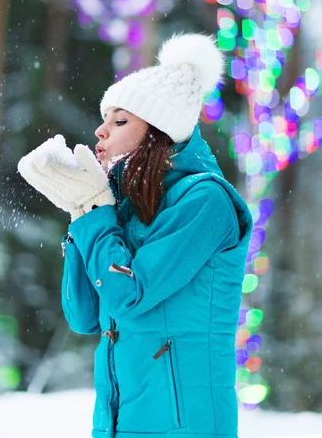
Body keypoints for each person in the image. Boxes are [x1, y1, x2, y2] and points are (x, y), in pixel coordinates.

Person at [17, 32, 253, 438]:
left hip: (186, 426)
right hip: (120, 421)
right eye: (105, 118)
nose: (100, 131)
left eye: (120, 121)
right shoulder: (123, 207)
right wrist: (82, 214)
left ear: (158, 131)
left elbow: (130, 294)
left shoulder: (205, 201)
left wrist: (95, 211)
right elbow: (85, 315)